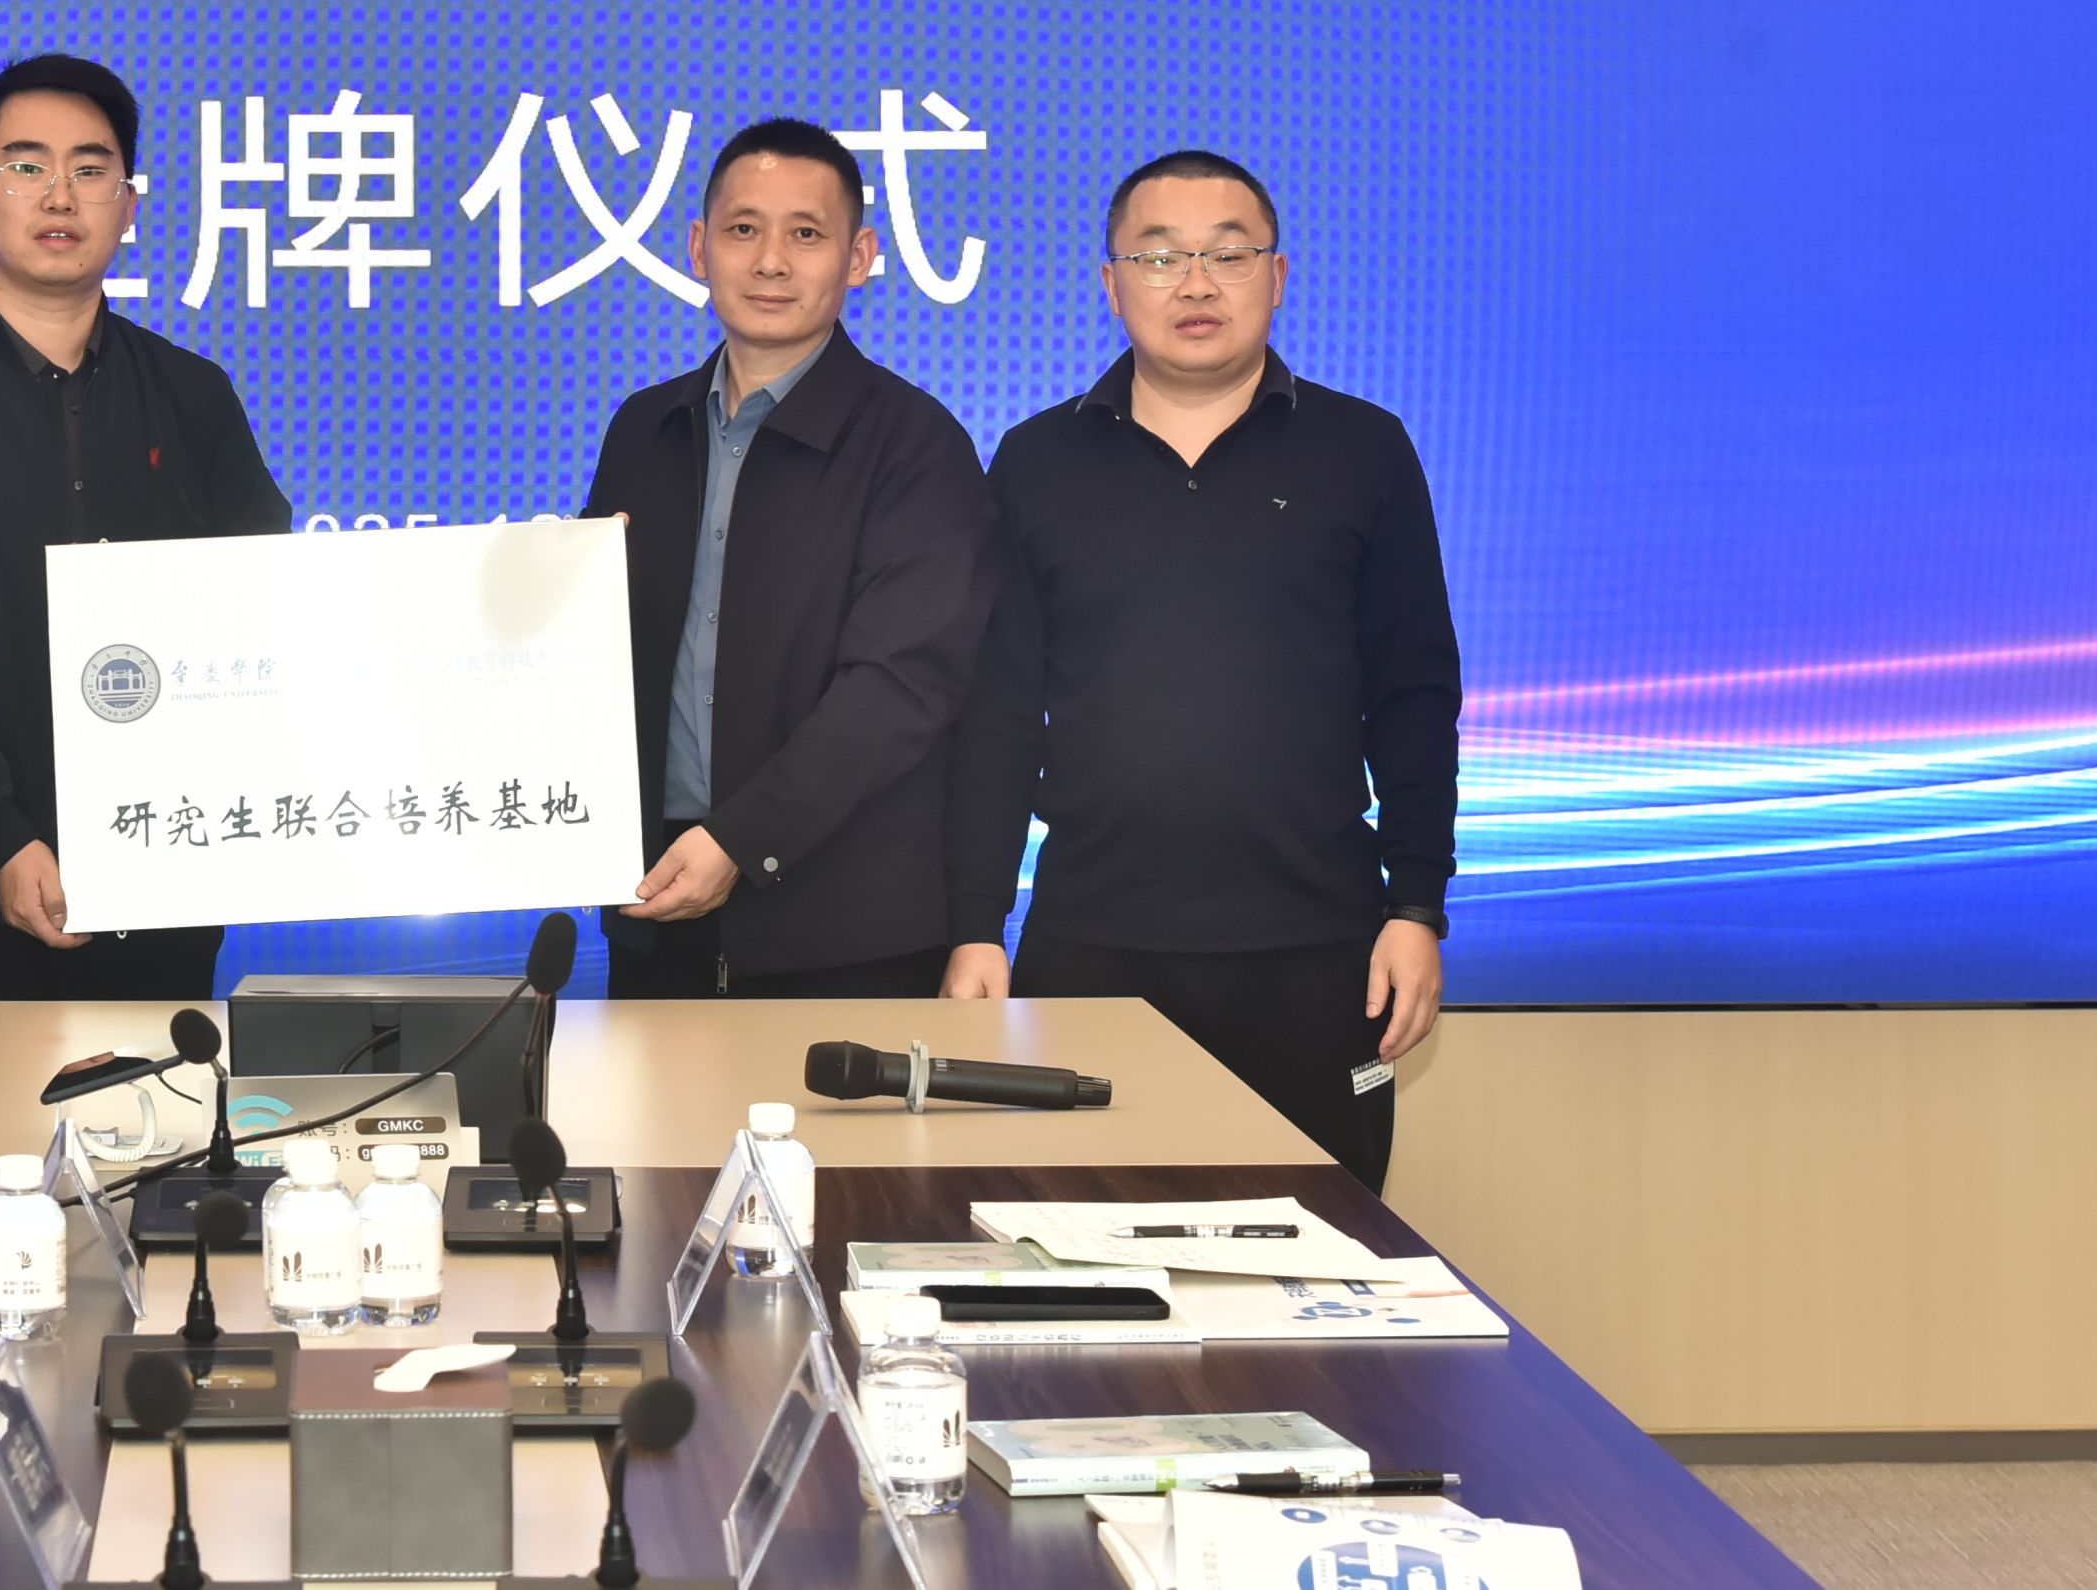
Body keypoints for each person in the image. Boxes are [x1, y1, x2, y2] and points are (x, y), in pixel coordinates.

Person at [950, 149, 1460, 1190]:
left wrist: (1415, 907)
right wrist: (973, 924)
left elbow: (1413, 694)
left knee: (1318, 1248)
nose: (1194, 283)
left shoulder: (1364, 450)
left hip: (1316, 951)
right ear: (1110, 283)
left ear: (1278, 275)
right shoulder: (1036, 462)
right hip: (1094, 944)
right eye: (1159, 255)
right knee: (1078, 1247)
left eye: (1228, 254)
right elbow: (996, 714)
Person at [0, 54, 292, 1001]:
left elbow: (259, 604)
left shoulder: (194, 397)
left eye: (91, 168)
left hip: (163, 868)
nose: (60, 194)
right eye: (25, 166)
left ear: (130, 204)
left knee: (163, 1098)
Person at [581, 118, 998, 998]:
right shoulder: (645, 428)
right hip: (656, 902)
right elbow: (597, 654)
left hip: (842, 929)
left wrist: (742, 839)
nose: (770, 261)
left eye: (806, 234)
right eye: (743, 229)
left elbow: (900, 685)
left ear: (860, 257)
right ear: (699, 248)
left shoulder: (916, 445)